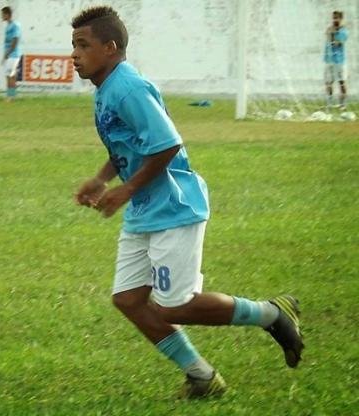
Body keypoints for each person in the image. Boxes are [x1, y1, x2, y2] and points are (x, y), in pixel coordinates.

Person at [71, 6, 303, 399]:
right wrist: (102, 178)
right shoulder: (107, 88)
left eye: (82, 45)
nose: (74, 54)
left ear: (109, 48)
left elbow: (166, 144)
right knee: (128, 299)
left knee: (174, 306)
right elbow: (131, 144)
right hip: (146, 211)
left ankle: (271, 313)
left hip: (173, 208)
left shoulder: (128, 87)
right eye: (73, 45)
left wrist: (125, 191)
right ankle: (201, 377)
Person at [324, 10, 349, 111]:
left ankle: (342, 104)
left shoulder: (344, 31)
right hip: (329, 59)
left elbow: (338, 43)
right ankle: (329, 103)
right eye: (333, 17)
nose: (334, 20)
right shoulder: (330, 29)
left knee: (342, 82)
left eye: (337, 18)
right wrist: (330, 33)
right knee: (328, 82)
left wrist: (333, 34)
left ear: (341, 19)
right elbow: (327, 37)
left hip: (339, 60)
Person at [1, 6, 22, 102]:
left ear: (7, 14)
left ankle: (11, 96)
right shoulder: (7, 25)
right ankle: (11, 94)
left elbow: (15, 40)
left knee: (10, 74)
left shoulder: (15, 25)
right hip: (9, 53)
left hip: (13, 54)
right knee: (9, 74)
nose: (1, 16)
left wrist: (8, 53)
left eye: (3, 14)